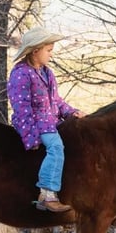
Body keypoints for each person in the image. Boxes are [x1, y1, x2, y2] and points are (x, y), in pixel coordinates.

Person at [7, 26, 85, 212]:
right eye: (48, 51)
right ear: (35, 51)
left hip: (51, 121)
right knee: (56, 146)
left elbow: (56, 100)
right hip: (35, 124)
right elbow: (21, 108)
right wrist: (31, 135)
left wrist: (71, 112)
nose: (51, 55)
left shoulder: (47, 73)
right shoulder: (20, 74)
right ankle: (47, 194)